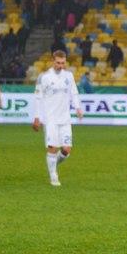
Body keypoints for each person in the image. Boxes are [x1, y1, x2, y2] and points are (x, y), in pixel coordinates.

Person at [32, 50, 83, 186]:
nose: (60, 65)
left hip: (65, 119)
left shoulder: (69, 76)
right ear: (52, 61)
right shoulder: (44, 77)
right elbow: (37, 98)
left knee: (66, 150)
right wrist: (37, 117)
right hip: (50, 120)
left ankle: (53, 164)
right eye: (58, 63)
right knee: (53, 147)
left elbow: (74, 93)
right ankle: (53, 175)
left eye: (63, 63)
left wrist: (78, 108)